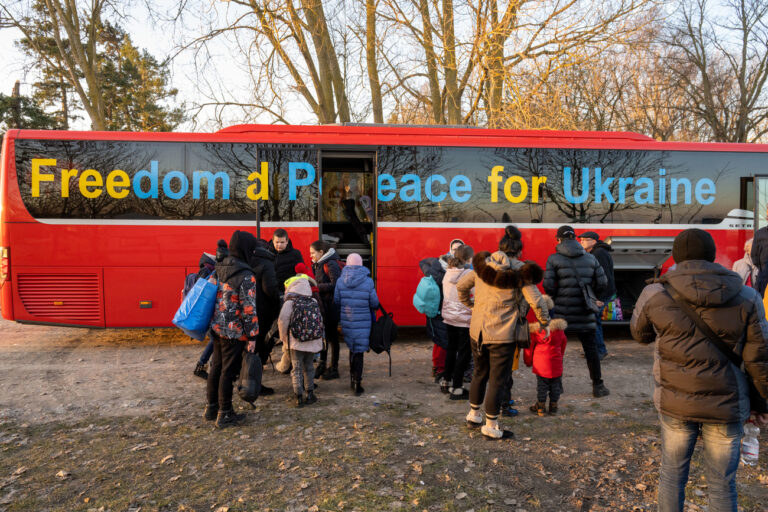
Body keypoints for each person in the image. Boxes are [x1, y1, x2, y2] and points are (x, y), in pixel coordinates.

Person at [631, 228, 768, 512]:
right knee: (722, 484)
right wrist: (761, 404)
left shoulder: (655, 292)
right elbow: (760, 359)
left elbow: (640, 335)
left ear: (676, 256)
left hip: (675, 401)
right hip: (727, 404)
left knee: (672, 475)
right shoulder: (748, 296)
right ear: (712, 254)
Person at [456, 248, 549, 440]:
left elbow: (461, 287)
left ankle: (473, 416)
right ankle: (491, 426)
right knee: (498, 380)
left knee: (479, 373)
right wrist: (544, 322)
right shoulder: (520, 273)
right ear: (519, 251)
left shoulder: (483, 267)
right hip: (502, 335)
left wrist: (472, 306)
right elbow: (537, 301)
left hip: (478, 332)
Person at [543, 225, 609, 398]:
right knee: (591, 349)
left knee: (557, 351)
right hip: (585, 311)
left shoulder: (553, 259)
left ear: (558, 240)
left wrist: (557, 297)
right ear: (575, 238)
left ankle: (557, 387)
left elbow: (548, 285)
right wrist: (591, 294)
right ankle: (598, 386)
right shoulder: (590, 258)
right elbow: (603, 282)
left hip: (561, 314)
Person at [205, 230, 259, 428]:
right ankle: (225, 413)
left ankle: (211, 408)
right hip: (234, 331)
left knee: (216, 369)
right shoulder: (246, 275)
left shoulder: (220, 266)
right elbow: (249, 309)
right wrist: (253, 336)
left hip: (217, 328)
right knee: (228, 372)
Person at [334, 253, 379, 396]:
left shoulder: (341, 281)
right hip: (363, 321)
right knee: (359, 351)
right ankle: (357, 383)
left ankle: (352, 379)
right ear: (361, 264)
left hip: (347, 320)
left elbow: (337, 300)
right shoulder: (368, 281)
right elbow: (374, 303)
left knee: (352, 349)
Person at [278, 275, 324, 407]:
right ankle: (310, 394)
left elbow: (282, 321)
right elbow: (319, 321)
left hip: (296, 341)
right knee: (309, 367)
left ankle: (298, 397)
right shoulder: (313, 301)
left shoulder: (289, 302)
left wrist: (284, 339)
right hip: (311, 341)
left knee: (296, 369)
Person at [523, 296, 567, 416]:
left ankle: (541, 407)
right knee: (555, 385)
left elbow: (529, 347)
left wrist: (528, 360)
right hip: (556, 363)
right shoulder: (560, 330)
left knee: (542, 386)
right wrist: (560, 357)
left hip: (541, 364)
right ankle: (553, 406)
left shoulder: (537, 331)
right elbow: (563, 344)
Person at [441, 244, 474, 399]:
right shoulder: (468, 274)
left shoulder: (448, 273)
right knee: (464, 353)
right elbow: (474, 295)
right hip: (464, 319)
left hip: (449, 317)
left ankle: (446, 380)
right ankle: (457, 387)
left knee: (451, 349)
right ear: (468, 258)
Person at [249, 238, 281, 396]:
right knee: (260, 348)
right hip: (262, 313)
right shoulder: (266, 263)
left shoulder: (246, 259)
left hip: (247, 313)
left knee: (248, 349)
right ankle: (255, 384)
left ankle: (244, 379)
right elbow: (270, 290)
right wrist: (278, 303)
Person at [577, 231, 616, 360]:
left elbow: (604, 278)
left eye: (584, 240)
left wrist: (599, 298)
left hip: (600, 295)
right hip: (598, 294)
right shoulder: (596, 252)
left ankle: (599, 351)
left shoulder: (599, 254)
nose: (581, 242)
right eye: (581, 240)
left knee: (592, 321)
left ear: (593, 241)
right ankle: (594, 350)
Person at [310, 240, 342, 380]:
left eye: (312, 253)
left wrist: (318, 287)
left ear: (321, 252)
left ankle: (334, 368)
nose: (311, 256)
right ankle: (322, 365)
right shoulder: (319, 264)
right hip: (323, 305)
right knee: (323, 337)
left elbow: (336, 284)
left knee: (332, 337)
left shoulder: (331, 263)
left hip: (332, 306)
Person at [418, 250, 451, 385]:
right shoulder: (446, 276)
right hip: (444, 311)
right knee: (445, 342)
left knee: (438, 341)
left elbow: (423, 261)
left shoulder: (431, 271)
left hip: (433, 311)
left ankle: (436, 366)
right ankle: (441, 370)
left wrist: (437, 260)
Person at [188, 250, 217, 380]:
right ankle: (202, 365)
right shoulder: (207, 271)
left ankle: (206, 365)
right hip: (210, 311)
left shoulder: (207, 268)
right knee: (214, 339)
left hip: (210, 311)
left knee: (215, 339)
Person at [269, 228, 304, 292]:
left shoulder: (296, 254)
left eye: (282, 242)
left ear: (287, 241)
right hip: (271, 293)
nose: (279, 245)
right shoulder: (267, 253)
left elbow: (301, 274)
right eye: (277, 242)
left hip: (289, 292)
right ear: (273, 240)